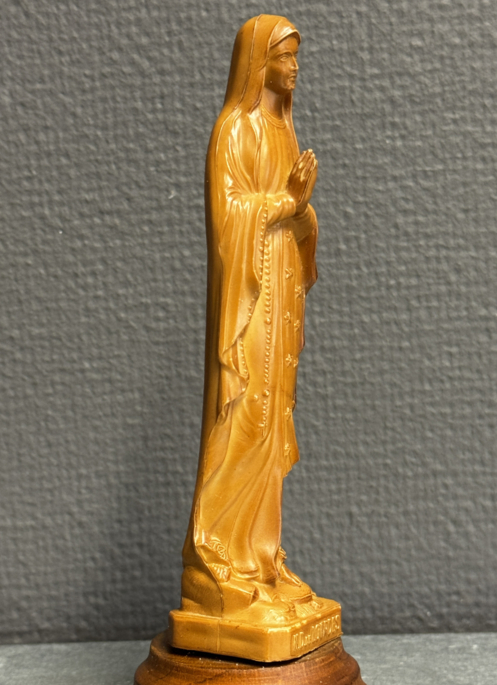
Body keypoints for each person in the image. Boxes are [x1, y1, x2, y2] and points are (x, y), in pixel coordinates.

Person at [180, 15, 320, 625]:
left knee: (273, 420)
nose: (294, 67)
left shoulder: (285, 130)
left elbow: (294, 213)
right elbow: (229, 216)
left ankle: (259, 559)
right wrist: (287, 202)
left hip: (282, 287)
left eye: (296, 56)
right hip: (251, 297)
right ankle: (213, 560)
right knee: (247, 415)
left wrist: (303, 212)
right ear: (258, 63)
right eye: (284, 57)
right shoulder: (234, 129)